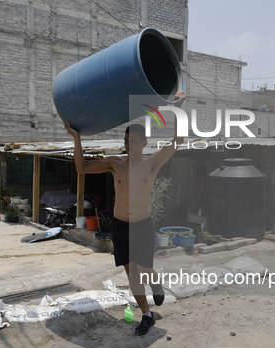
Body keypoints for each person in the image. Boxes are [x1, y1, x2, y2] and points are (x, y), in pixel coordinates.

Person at [65, 91, 186, 334]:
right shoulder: (115, 163)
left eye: (134, 141)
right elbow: (81, 168)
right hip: (120, 228)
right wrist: (76, 138)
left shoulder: (153, 162)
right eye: (126, 141)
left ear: (144, 144)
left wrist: (179, 106)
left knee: (145, 271)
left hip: (142, 226)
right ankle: (147, 315)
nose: (129, 145)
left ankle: (154, 282)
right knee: (133, 276)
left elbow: (179, 140)